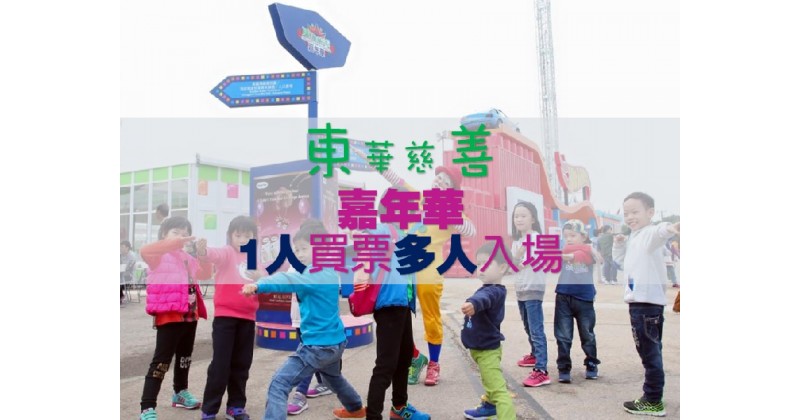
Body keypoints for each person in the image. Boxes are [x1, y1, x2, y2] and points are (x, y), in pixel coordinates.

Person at [360, 153, 477, 386]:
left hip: (429, 269)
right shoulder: (421, 197)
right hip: (406, 264)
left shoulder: (453, 210)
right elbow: (397, 180)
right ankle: (414, 356)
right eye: (438, 178)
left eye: (446, 182)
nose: (439, 182)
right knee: (399, 314)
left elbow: (470, 230)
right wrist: (378, 164)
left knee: (430, 315)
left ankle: (434, 363)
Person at [242, 221, 367, 420]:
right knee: (333, 378)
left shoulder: (312, 273)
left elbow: (286, 280)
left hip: (318, 347)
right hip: (335, 342)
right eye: (297, 250)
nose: (299, 254)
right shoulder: (328, 270)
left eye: (303, 249)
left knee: (279, 384)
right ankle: (355, 408)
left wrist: (259, 285)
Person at [363, 197, 431, 420]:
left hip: (403, 306)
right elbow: (366, 229)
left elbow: (424, 221)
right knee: (386, 365)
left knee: (404, 359)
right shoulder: (383, 230)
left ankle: (399, 407)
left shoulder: (403, 233)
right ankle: (373, 415)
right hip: (389, 306)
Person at [138, 216, 213, 420]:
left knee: (184, 358)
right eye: (176, 233)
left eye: (184, 234)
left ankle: (180, 392)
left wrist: (202, 255)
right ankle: (147, 407)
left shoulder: (187, 258)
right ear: (164, 234)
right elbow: (144, 250)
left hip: (190, 315)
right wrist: (175, 243)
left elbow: (205, 274)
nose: (181, 237)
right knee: (161, 361)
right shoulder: (158, 255)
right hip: (169, 316)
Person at [613, 192, 679, 417]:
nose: (630, 217)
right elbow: (620, 262)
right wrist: (618, 245)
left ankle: (652, 400)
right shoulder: (635, 236)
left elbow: (660, 231)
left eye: (635, 212)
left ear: (650, 213)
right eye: (626, 213)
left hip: (646, 305)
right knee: (650, 351)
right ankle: (653, 397)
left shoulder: (649, 233)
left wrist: (671, 228)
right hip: (642, 304)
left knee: (649, 354)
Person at [196, 216, 261, 420]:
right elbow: (213, 254)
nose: (242, 240)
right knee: (220, 365)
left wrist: (261, 277)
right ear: (230, 236)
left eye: (247, 236)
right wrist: (203, 251)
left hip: (248, 318)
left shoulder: (255, 258)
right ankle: (209, 409)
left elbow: (264, 282)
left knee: (242, 364)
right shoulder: (227, 252)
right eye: (238, 235)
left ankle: (236, 406)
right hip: (226, 318)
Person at [461, 243, 517, 420]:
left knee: (499, 390)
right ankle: (490, 407)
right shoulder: (488, 288)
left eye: (486, 263)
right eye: (478, 264)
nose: (481, 268)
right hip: (481, 347)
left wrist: (474, 303)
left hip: (487, 351)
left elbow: (484, 299)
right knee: (488, 380)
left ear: (502, 267)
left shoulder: (494, 291)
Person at [553, 219, 601, 384]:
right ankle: (564, 367)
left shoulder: (588, 252)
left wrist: (589, 248)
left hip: (584, 298)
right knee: (563, 335)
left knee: (587, 334)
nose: (569, 239)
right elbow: (565, 254)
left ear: (583, 236)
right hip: (563, 296)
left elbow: (579, 256)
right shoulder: (570, 249)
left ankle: (591, 363)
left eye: (573, 235)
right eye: (566, 236)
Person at [508, 201, 550, 387]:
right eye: (516, 216)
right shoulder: (517, 242)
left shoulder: (537, 238)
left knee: (536, 329)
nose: (519, 219)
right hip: (521, 290)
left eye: (523, 215)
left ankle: (541, 370)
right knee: (527, 326)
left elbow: (522, 263)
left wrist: (517, 260)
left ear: (533, 219)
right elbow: (512, 266)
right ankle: (534, 355)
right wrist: (516, 258)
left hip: (533, 289)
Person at [121, 240, 137, 304]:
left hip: (129, 275)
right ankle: (121, 296)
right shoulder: (120, 255)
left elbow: (128, 268)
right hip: (122, 274)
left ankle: (121, 296)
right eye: (120, 247)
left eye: (122, 247)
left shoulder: (132, 256)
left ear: (127, 248)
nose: (120, 248)